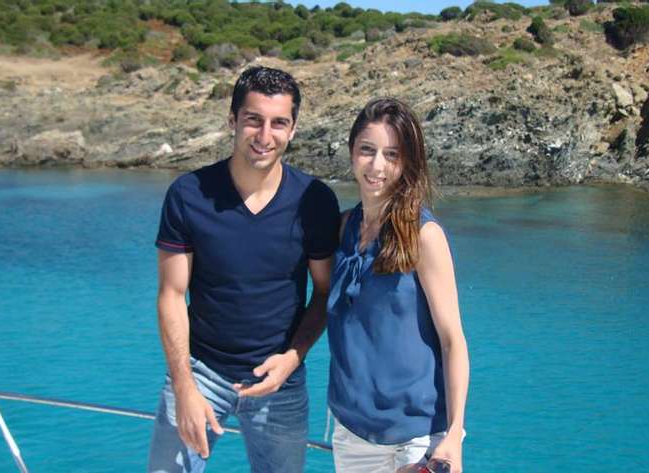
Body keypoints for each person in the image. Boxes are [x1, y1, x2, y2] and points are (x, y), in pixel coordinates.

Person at [147, 66, 340, 473]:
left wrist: (292, 358)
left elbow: (324, 293)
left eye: (278, 123)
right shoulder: (188, 194)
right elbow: (171, 295)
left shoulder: (315, 201)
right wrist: (184, 386)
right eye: (253, 119)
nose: (264, 135)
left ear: (293, 129)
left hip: (280, 381)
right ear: (232, 120)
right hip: (200, 372)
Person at [326, 98, 470, 473]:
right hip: (351, 435)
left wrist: (454, 435)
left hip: (416, 441)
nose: (377, 166)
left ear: (407, 162)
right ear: (351, 152)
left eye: (392, 155)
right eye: (367, 150)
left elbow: (452, 340)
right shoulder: (341, 228)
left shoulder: (424, 236)